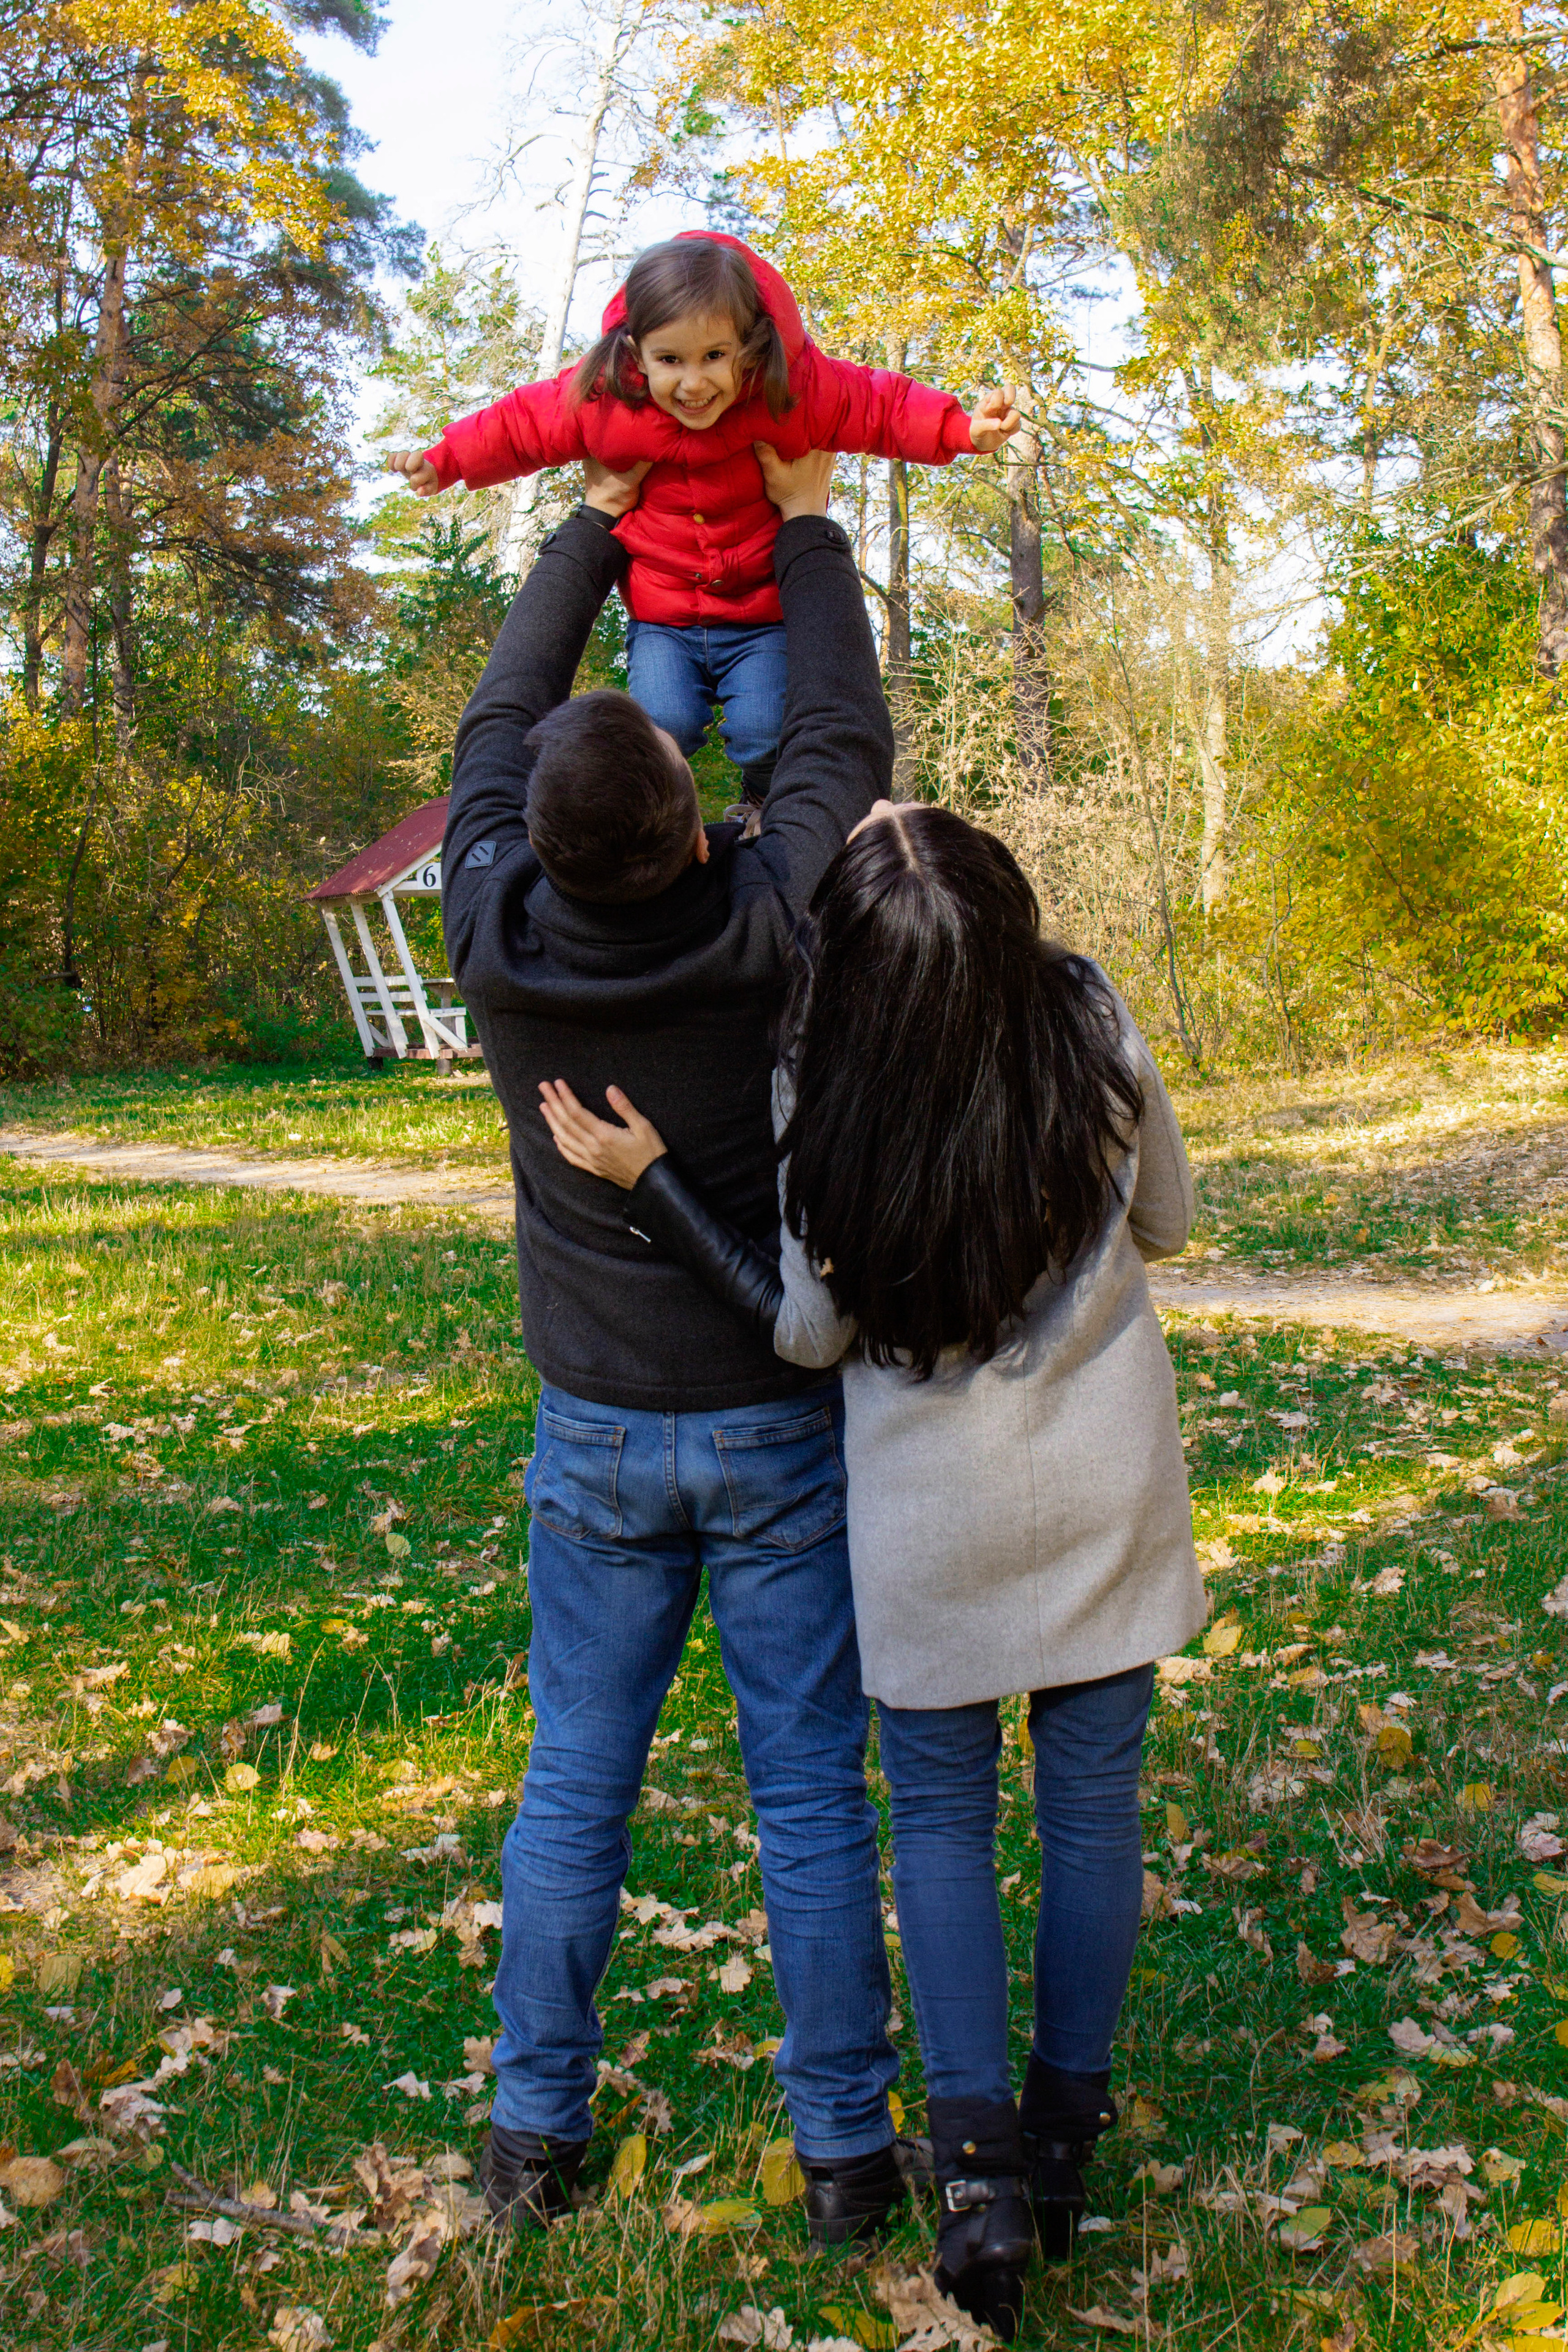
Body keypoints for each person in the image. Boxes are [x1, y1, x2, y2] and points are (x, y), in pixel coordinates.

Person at [537, 804, 1208, 2342]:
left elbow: (806, 1331)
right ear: (1002, 911)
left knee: (945, 1831)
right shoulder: (1089, 1009)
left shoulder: (820, 1078)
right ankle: (1060, 2142)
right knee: (1089, 1815)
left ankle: (974, 2181)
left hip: (928, 1515)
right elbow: (1164, 1219)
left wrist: (654, 1181)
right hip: (1102, 1482)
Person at [440, 440, 924, 2250]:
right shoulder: (762, 920)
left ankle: (528, 2133)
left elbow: (494, 716)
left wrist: (586, 520)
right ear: (702, 822)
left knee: (578, 1776)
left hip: (597, 1429)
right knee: (806, 1791)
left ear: (527, 846)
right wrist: (799, 526)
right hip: (773, 1426)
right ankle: (847, 2158)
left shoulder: (493, 939)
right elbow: (838, 743)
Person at [391, 232, 1019, 808]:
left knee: (764, 729)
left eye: (714, 356)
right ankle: (664, 822)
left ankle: (762, 802)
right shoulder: (606, 396)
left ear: (749, 344)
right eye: (670, 361)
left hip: (761, 610)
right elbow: (521, 425)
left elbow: (878, 405)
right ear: (636, 351)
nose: (693, 384)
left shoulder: (790, 390)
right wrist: (444, 461)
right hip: (664, 614)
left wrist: (960, 428)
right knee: (663, 723)